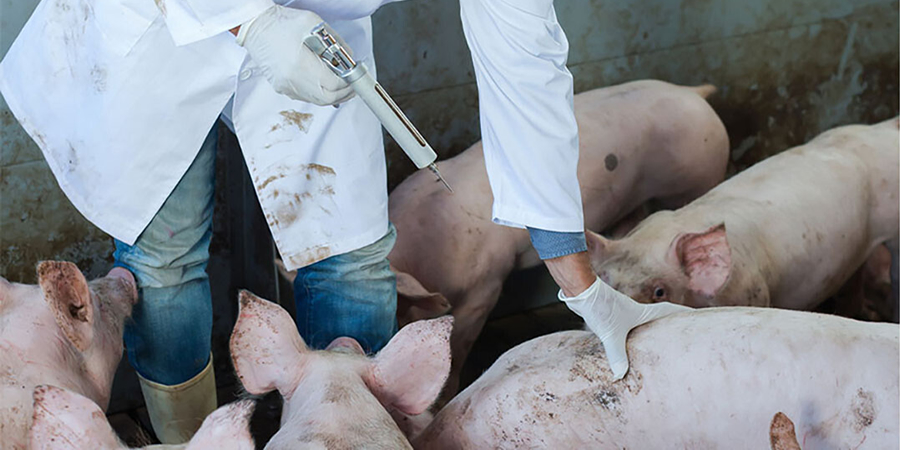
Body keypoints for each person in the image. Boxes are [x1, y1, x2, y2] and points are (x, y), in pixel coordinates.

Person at [0, 0, 401, 443]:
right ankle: (188, 441)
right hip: (158, 34)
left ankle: (354, 433)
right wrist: (254, 21)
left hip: (315, 28)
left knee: (352, 254)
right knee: (163, 264)